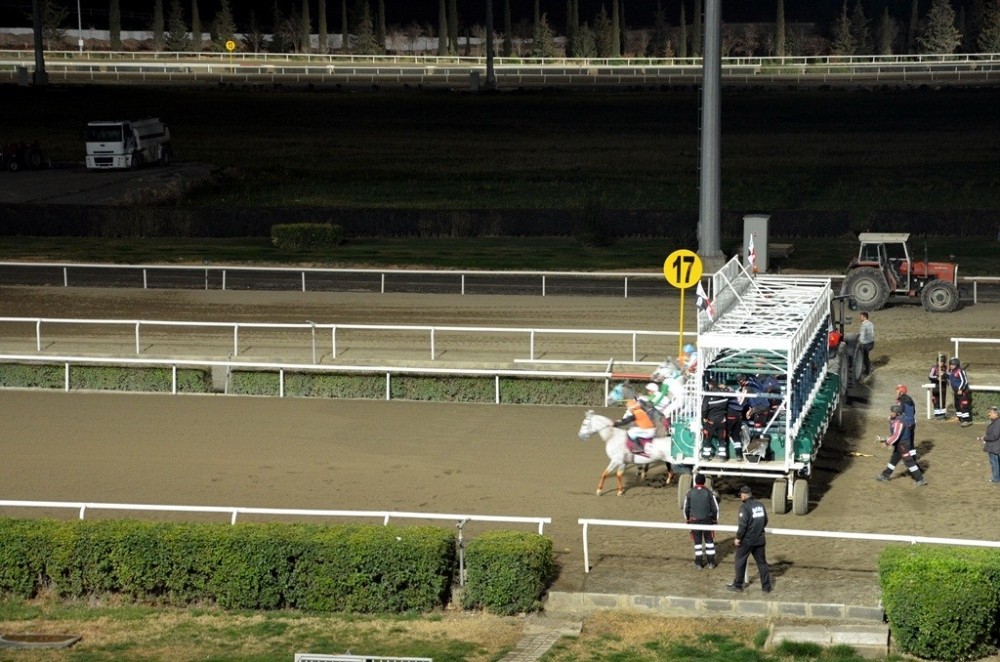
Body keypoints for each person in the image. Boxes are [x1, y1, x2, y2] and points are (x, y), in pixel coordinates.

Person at [726, 485, 772, 593]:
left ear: (744, 495)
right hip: (760, 539)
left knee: (740, 561)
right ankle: (766, 587)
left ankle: (738, 585)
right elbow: (765, 520)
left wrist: (738, 537)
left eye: (741, 495)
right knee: (762, 563)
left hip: (747, 540)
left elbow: (743, 525)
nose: (740, 497)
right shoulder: (760, 505)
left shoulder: (744, 508)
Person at [876, 404, 927, 486]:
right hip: (900, 445)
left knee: (909, 462)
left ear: (898, 413)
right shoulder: (898, 420)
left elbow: (896, 435)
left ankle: (920, 479)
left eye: (893, 412)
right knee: (893, 460)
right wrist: (890, 421)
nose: (891, 413)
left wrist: (887, 443)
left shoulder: (899, 422)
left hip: (902, 445)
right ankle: (885, 475)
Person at [683, 474, 720, 569]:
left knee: (698, 543)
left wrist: (687, 519)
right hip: (707, 521)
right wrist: (715, 520)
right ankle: (711, 563)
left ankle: (698, 563)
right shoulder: (709, 493)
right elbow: (715, 508)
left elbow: (686, 508)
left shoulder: (689, 493)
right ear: (704, 482)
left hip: (694, 521)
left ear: (695, 481)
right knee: (709, 542)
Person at [701, 378, 730, 461]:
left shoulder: (708, 395)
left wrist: (704, 417)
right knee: (722, 438)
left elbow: (704, 409)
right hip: (722, 420)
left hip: (711, 421)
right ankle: (722, 457)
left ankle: (706, 456)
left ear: (710, 385)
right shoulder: (724, 394)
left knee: (708, 438)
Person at [726, 375, 751, 461]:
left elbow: (740, 403)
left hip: (731, 415)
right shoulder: (742, 390)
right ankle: (739, 455)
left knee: (724, 434)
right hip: (738, 415)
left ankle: (723, 454)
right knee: (736, 435)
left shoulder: (736, 391)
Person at [947, 357, 973, 427]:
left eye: (952, 365)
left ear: (956, 364)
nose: (951, 366)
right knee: (957, 406)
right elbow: (949, 377)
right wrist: (943, 374)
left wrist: (960, 389)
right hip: (956, 392)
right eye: (950, 364)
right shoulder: (952, 372)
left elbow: (964, 381)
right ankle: (960, 419)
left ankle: (967, 420)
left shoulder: (960, 371)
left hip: (962, 392)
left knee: (964, 406)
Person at [978, 406, 1000, 484]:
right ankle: (997, 477)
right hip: (994, 446)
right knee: (996, 462)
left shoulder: (997, 423)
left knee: (994, 463)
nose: (989, 414)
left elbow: (995, 436)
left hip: (994, 446)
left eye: (991, 413)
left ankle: (996, 479)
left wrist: (985, 438)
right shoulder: (995, 422)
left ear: (996, 414)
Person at [895, 384, 918, 459]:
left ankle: (907, 458)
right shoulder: (910, 399)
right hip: (912, 422)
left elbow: (898, 412)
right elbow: (914, 411)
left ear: (901, 392)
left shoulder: (901, 400)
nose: (896, 392)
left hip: (906, 423)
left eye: (897, 391)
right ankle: (913, 456)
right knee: (911, 440)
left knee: (904, 441)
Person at [928, 354, 949, 419]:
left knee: (943, 400)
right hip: (936, 386)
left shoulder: (946, 368)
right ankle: (937, 414)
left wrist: (944, 375)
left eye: (942, 362)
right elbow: (930, 376)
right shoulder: (934, 368)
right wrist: (937, 377)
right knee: (936, 400)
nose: (940, 363)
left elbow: (949, 376)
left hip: (943, 386)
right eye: (939, 362)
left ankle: (942, 414)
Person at [857, 312, 875, 376]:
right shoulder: (871, 323)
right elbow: (872, 333)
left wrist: (859, 342)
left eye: (861, 316)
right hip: (871, 342)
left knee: (865, 357)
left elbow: (862, 335)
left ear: (864, 317)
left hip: (865, 343)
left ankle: (867, 371)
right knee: (866, 356)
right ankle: (870, 367)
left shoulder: (864, 325)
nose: (860, 318)